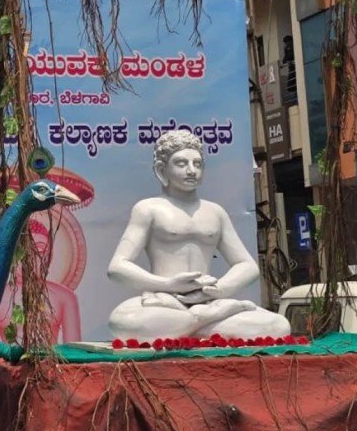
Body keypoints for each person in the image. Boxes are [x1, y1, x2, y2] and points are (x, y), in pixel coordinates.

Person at [106, 131, 291, 341]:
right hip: (163, 301)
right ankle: (205, 321)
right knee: (122, 321)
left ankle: (191, 323)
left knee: (279, 325)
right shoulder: (148, 209)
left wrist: (218, 290)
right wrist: (167, 285)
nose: (191, 171)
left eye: (197, 164)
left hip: (208, 299)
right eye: (181, 163)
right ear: (161, 169)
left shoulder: (215, 212)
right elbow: (117, 267)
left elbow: (247, 265)